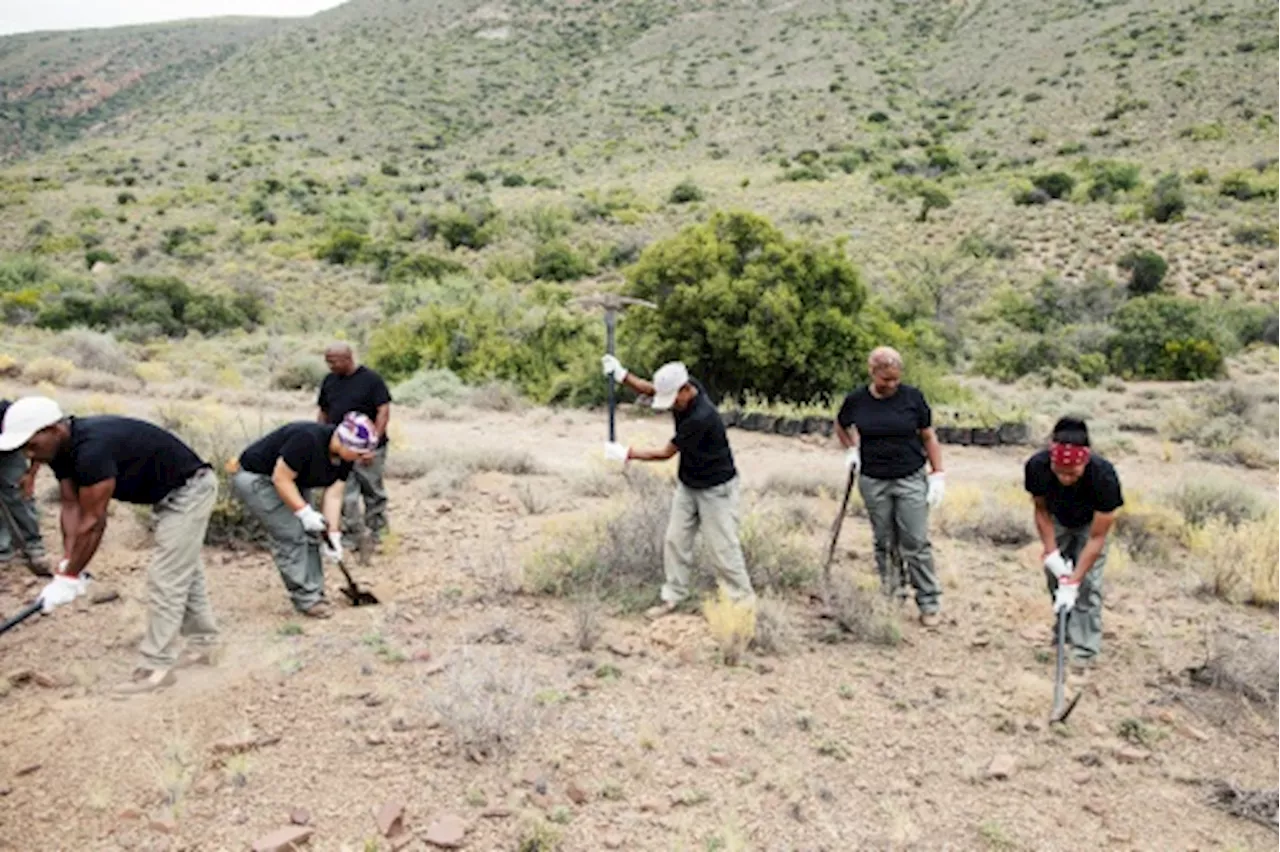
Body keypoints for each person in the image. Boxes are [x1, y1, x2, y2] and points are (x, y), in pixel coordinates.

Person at [0, 396, 219, 695]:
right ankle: (204, 646)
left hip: (190, 491)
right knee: (183, 569)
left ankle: (157, 668)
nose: (28, 453)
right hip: (169, 496)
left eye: (31, 444)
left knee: (166, 577)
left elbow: (94, 521)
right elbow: (71, 506)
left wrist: (70, 576)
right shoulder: (62, 450)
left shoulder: (91, 450)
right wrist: (68, 563)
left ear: (53, 429)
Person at [600, 355, 756, 619]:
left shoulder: (701, 417)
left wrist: (627, 453)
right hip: (689, 484)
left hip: (716, 489)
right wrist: (622, 375)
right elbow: (652, 389)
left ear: (685, 390)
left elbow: (665, 453)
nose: (670, 405)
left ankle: (742, 605)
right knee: (675, 540)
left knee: (723, 547)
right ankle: (673, 596)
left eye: (673, 399)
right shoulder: (686, 388)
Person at [834, 346, 946, 627]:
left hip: (909, 476)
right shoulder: (857, 400)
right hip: (873, 479)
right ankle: (893, 596)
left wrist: (938, 473)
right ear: (873, 373)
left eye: (896, 379)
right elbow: (841, 424)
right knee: (884, 540)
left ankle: (929, 601)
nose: (891, 385)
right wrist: (851, 450)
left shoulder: (912, 398)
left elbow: (928, 436)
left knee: (915, 541)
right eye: (886, 380)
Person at [231, 412, 378, 618]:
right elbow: (281, 478)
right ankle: (307, 600)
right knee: (291, 533)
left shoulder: (345, 458)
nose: (363, 459)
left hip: (293, 482)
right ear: (346, 443)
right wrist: (304, 512)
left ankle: (315, 592)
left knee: (313, 533)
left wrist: (333, 534)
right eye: (360, 453)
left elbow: (334, 495)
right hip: (259, 479)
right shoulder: (307, 439)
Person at [1025, 417, 1123, 670]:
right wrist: (1051, 553)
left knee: (1087, 585)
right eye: (1060, 471)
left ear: (1085, 460)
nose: (1065, 478)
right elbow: (1041, 511)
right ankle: (1063, 633)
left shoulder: (1104, 476)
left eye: (1073, 472)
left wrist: (1076, 578)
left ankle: (1085, 647)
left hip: (1090, 524)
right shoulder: (1037, 466)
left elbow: (1097, 537)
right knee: (1055, 578)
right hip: (1057, 518)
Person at [317, 343, 393, 549]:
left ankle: (378, 532)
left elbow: (383, 411)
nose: (330, 366)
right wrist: (321, 440)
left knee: (372, 490)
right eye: (328, 361)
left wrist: (372, 445)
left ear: (348, 358)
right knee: (344, 492)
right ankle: (353, 535)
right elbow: (323, 411)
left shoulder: (371, 380)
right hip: (339, 448)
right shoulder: (329, 381)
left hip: (367, 448)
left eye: (334, 361)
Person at [0, 397, 51, 576]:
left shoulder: (10, 414)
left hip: (9, 451)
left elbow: (38, 444)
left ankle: (33, 543)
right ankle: (3, 547)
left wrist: (31, 474)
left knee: (16, 493)